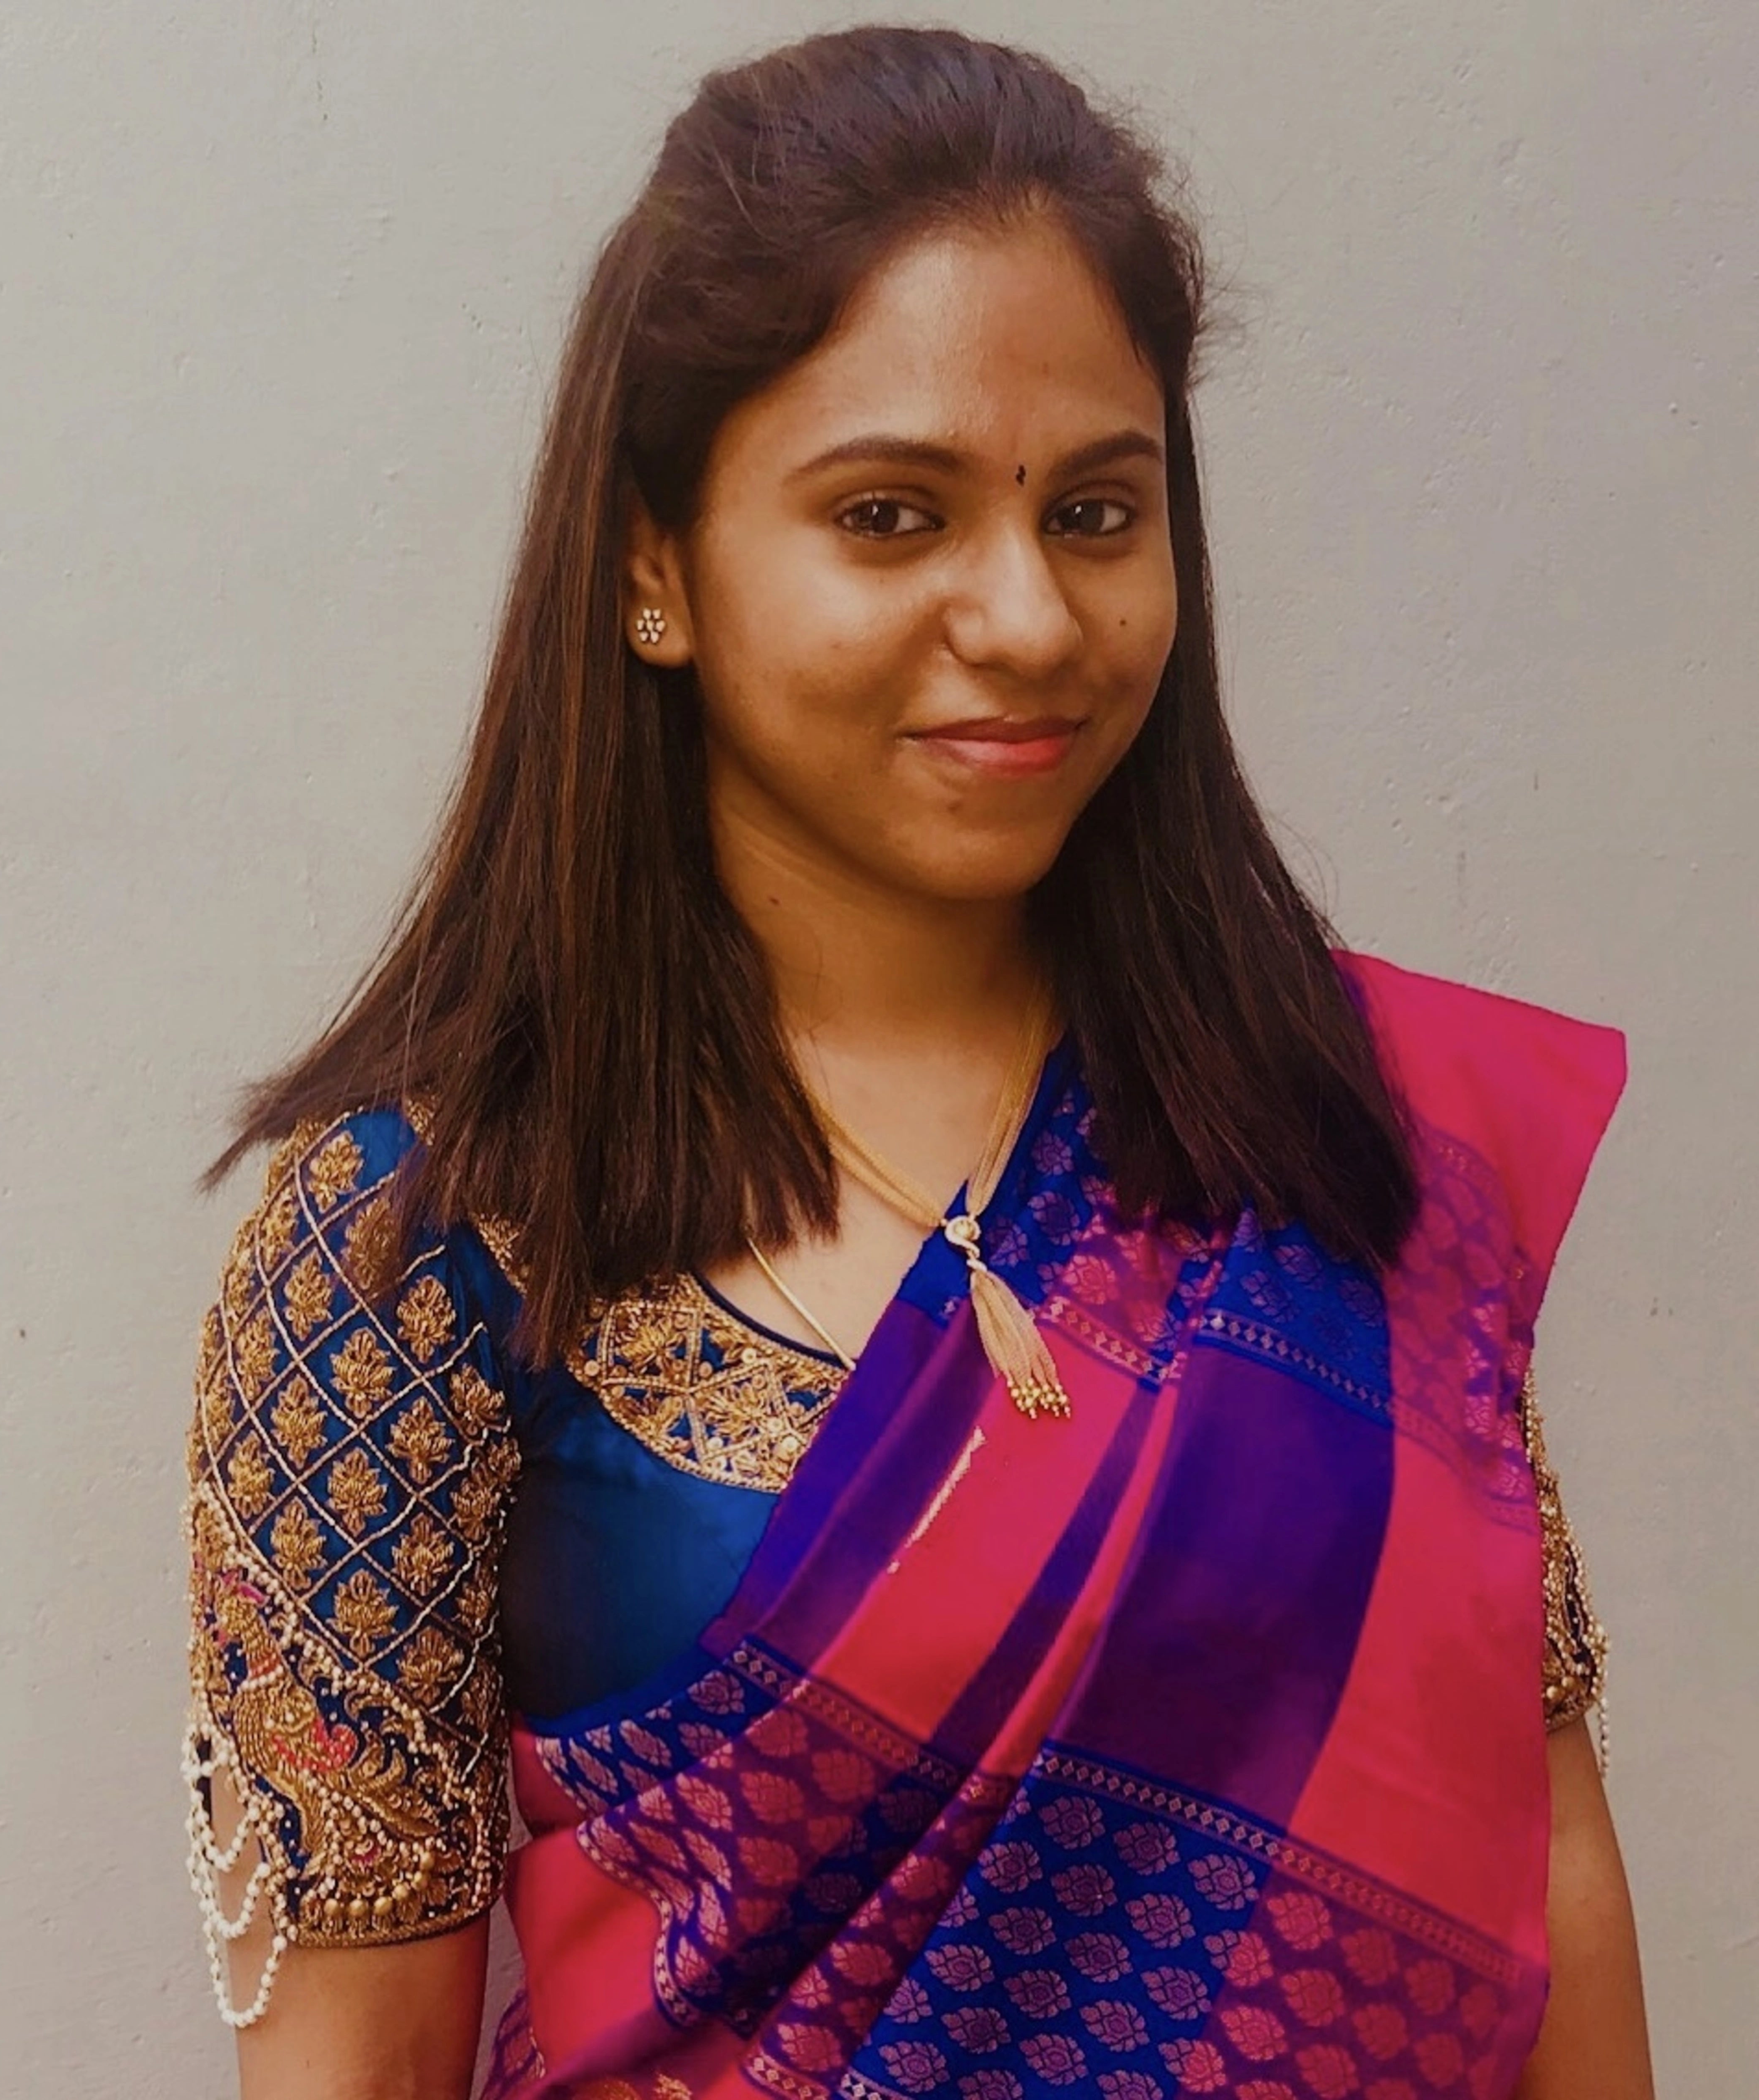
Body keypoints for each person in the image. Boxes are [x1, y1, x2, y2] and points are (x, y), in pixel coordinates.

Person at [181, 27, 1652, 2099]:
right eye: (891, 515)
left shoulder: (1346, 1136)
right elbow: (354, 2061)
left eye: (1095, 510)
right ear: (650, 565)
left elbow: (1540, 1871)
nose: (1027, 614)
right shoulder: (426, 1248)